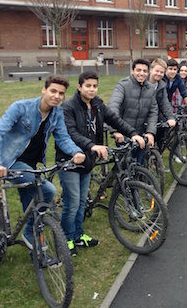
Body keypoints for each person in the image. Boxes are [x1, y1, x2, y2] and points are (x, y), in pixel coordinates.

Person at [0, 75, 86, 253]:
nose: (56, 96)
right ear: (43, 90)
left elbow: (63, 138)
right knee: (47, 190)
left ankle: (35, 250)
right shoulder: (21, 107)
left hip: (30, 164)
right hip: (8, 162)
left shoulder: (57, 114)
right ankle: (30, 235)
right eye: (53, 91)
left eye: (61, 93)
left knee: (31, 203)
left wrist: (76, 151)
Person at [56, 71, 145, 255]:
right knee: (72, 203)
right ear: (79, 87)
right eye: (87, 86)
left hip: (88, 160)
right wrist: (92, 145)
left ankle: (78, 235)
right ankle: (66, 239)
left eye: (94, 86)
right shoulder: (68, 107)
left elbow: (116, 120)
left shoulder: (97, 104)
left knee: (81, 202)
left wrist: (133, 133)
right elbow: (71, 132)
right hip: (70, 161)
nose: (91, 89)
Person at [107, 58, 158, 163]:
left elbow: (153, 111)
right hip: (123, 132)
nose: (141, 73)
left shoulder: (150, 88)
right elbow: (113, 106)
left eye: (144, 71)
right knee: (124, 165)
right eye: (138, 70)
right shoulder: (123, 85)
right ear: (132, 71)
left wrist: (150, 132)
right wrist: (115, 131)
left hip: (140, 133)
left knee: (140, 164)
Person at [149, 58, 176, 147]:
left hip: (156, 113)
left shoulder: (161, 85)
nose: (159, 74)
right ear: (151, 70)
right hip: (143, 114)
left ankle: (158, 150)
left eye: (161, 72)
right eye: (157, 71)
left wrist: (170, 117)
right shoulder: (143, 83)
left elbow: (165, 102)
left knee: (164, 127)